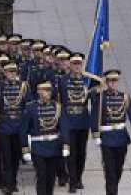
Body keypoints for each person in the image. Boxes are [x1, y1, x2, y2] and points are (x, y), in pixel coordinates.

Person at [92, 69, 131, 195]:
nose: (112, 84)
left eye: (115, 81)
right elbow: (95, 116)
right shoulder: (101, 97)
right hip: (107, 137)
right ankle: (111, 192)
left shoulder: (124, 97)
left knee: (118, 168)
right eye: (110, 81)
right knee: (109, 170)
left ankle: (113, 188)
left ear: (118, 82)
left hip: (121, 136)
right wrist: (96, 134)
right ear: (106, 83)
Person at [21, 81, 68, 195]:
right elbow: (23, 130)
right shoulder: (31, 108)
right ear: (38, 92)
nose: (47, 93)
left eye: (49, 91)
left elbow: (64, 127)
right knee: (41, 175)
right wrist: (25, 149)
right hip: (38, 147)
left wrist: (66, 145)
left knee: (51, 176)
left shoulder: (57, 107)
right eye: (44, 90)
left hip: (54, 146)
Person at [57, 54, 92, 193]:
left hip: (82, 119)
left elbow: (94, 96)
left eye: (79, 63)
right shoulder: (63, 80)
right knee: (71, 152)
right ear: (70, 65)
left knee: (81, 152)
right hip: (68, 119)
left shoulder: (87, 80)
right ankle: (72, 180)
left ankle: (78, 178)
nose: (77, 66)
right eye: (74, 63)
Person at [0, 62, 27, 195]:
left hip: (18, 126)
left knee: (16, 156)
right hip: (4, 126)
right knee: (5, 157)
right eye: (9, 72)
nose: (11, 75)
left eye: (14, 72)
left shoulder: (23, 87)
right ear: (4, 73)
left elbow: (27, 107)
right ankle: (7, 184)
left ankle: (13, 181)